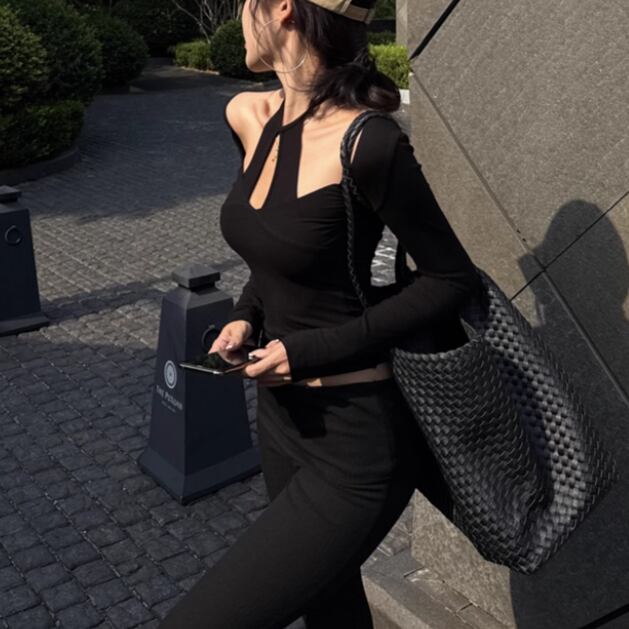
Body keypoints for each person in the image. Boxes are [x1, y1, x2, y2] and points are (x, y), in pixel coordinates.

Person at [159, 0, 480, 627]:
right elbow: (278, 253)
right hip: (281, 421)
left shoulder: (369, 141)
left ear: (282, 9)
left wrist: (308, 351)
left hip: (358, 442)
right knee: (329, 608)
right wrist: (246, 316)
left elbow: (450, 280)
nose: (239, 16)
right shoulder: (247, 115)